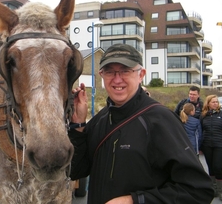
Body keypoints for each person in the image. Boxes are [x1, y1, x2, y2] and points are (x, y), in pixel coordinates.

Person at [69, 43, 214, 204]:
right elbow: (76, 171)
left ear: (141, 74)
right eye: (110, 71)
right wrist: (78, 125)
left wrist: (135, 200)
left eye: (125, 70)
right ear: (102, 75)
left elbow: (198, 190)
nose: (117, 79)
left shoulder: (161, 120)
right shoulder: (100, 120)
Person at [200, 95, 222, 203]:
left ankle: (221, 191)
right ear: (208, 103)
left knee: (217, 167)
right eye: (213, 102)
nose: (216, 103)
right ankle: (213, 189)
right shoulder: (204, 116)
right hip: (207, 145)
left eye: (217, 102)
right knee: (211, 168)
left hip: (220, 145)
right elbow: (201, 130)